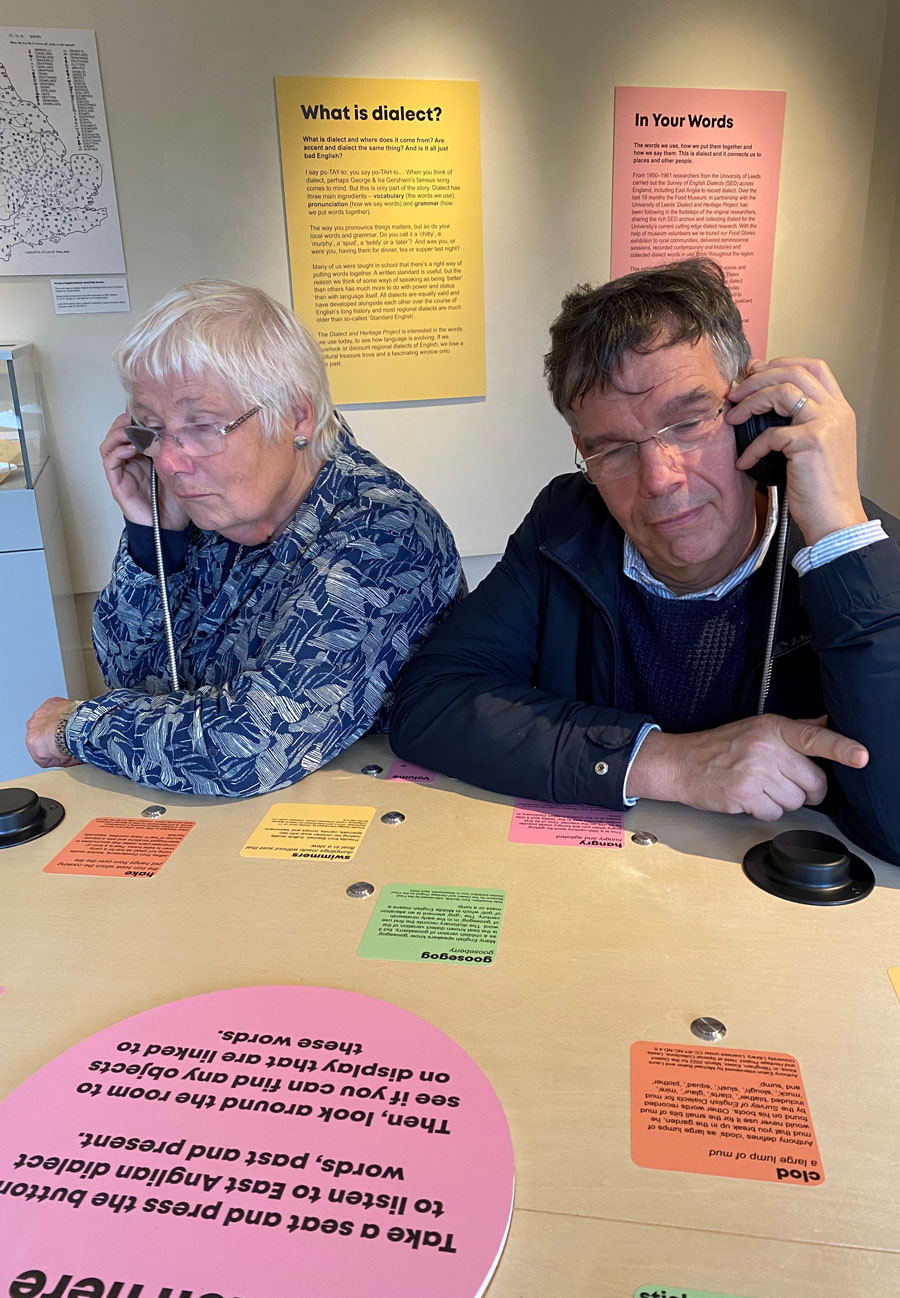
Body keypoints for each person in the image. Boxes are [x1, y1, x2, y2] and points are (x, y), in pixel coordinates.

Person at [390, 259, 900, 865]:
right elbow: (431, 702)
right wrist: (672, 764)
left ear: (753, 410)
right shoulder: (567, 522)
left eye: (687, 423)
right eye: (612, 449)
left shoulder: (857, 556)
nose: (659, 479)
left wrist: (840, 534)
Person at [25, 280, 462, 796]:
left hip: (353, 817)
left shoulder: (385, 535)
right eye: (152, 428)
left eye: (203, 426)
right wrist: (152, 537)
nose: (167, 461)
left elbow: (248, 748)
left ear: (297, 416)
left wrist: (76, 726)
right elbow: (139, 680)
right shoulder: (214, 510)